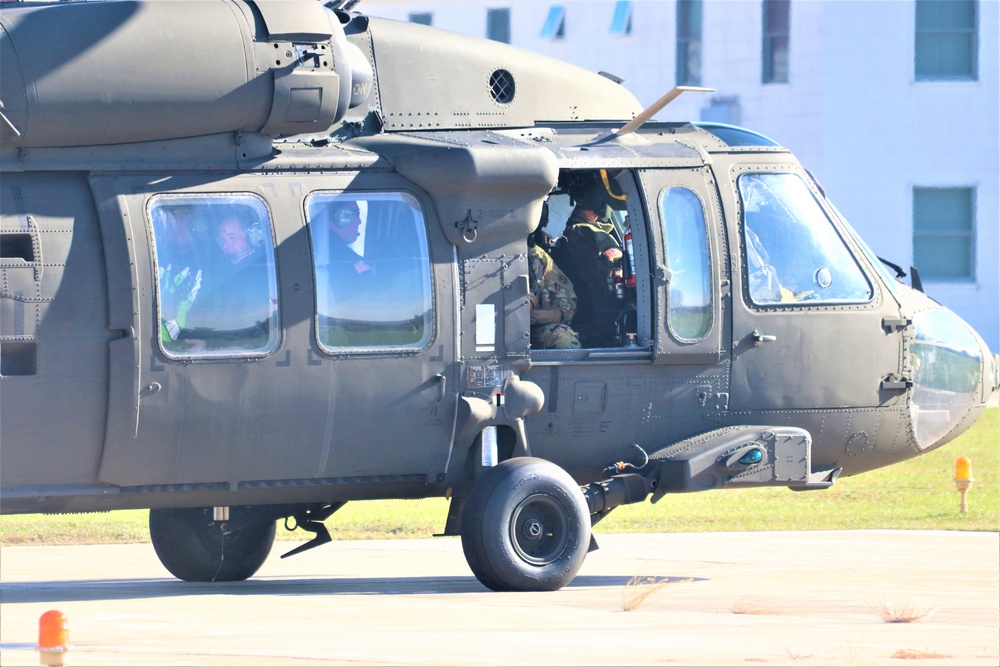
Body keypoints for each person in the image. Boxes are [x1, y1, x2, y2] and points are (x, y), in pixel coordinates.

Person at [550, 176, 624, 347]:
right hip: (601, 317)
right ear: (599, 202)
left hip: (584, 314)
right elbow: (618, 270)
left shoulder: (571, 231)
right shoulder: (593, 236)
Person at [528, 244, 581, 349]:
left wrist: (556, 314)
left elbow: (567, 297)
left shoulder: (534, 255)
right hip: (490, 330)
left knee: (563, 339)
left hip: (530, 331)